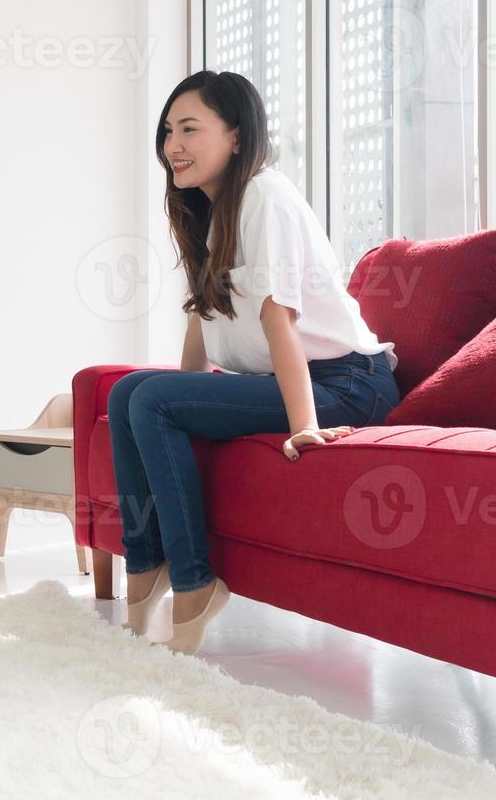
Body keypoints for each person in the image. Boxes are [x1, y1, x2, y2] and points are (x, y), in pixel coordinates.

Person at [110, 71, 398, 654]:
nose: (173, 147)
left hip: (347, 383)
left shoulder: (265, 197)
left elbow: (278, 319)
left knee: (149, 398)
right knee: (127, 394)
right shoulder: (212, 212)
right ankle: (145, 566)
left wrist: (304, 428)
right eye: (169, 131)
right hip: (291, 377)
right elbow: (203, 319)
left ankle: (196, 584)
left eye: (190, 129)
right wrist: (171, 404)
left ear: (237, 138)